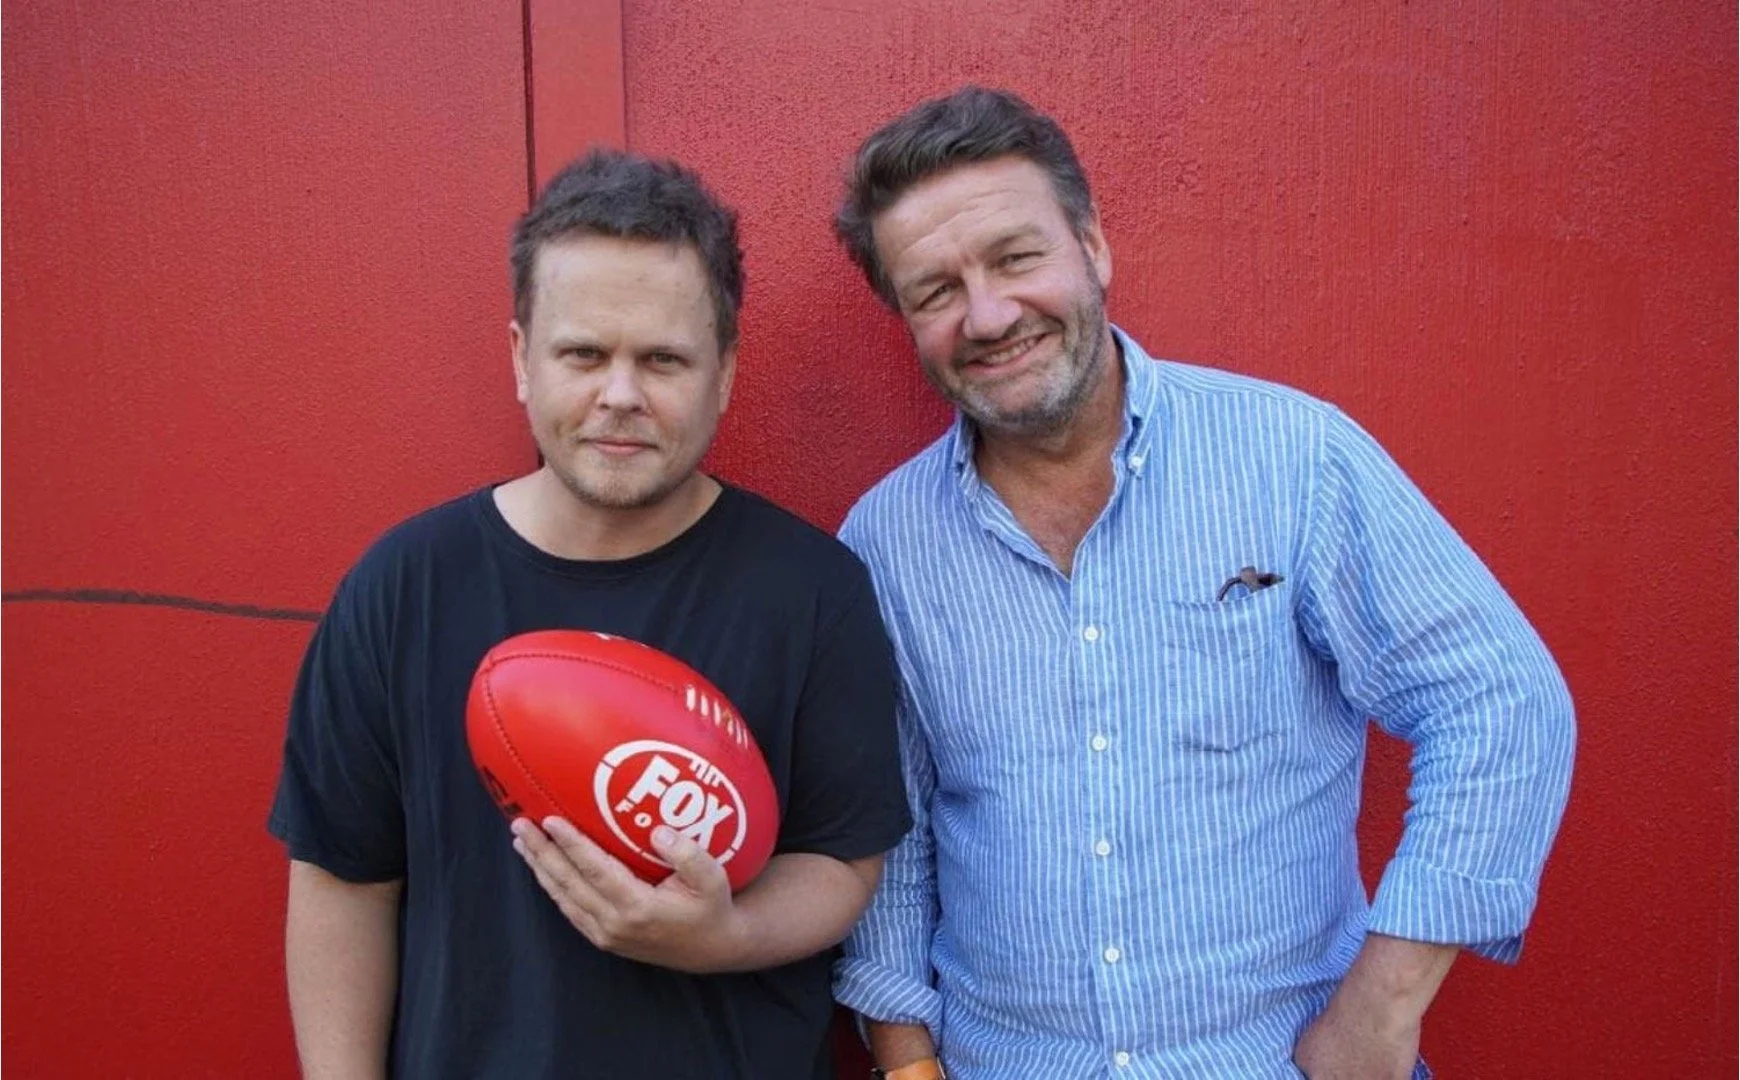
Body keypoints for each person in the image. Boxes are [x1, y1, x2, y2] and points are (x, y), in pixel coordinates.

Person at [828, 87, 1575, 1080]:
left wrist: (1380, 1014)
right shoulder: (883, 543)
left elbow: (1501, 700)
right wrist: (907, 1062)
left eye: (1015, 258)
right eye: (935, 291)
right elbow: (893, 827)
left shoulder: (1293, 460)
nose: (990, 314)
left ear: (1093, 248)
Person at [268, 148, 910, 1079]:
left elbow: (844, 863)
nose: (620, 395)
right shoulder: (403, 586)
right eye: (583, 354)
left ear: (724, 372)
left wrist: (722, 938)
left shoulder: (816, 591)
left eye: (663, 359)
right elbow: (343, 882)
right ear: (522, 359)